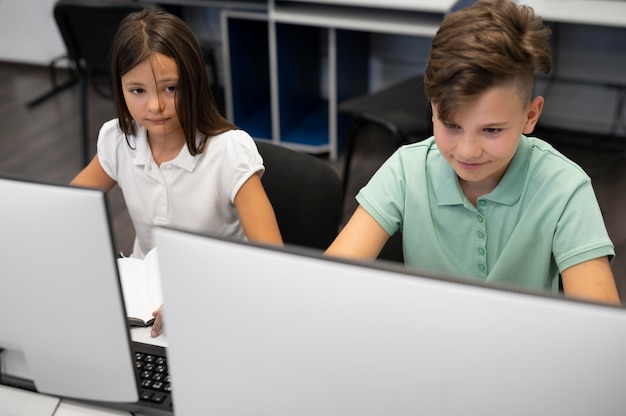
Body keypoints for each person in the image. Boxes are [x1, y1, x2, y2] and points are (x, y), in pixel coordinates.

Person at [326, 0, 621, 305]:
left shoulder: (564, 188)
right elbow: (328, 281)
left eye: (491, 130)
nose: (467, 151)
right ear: (432, 110)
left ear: (530, 116)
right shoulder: (406, 170)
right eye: (451, 125)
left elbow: (597, 319)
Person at [71, 9, 283, 336]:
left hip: (222, 295)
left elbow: (272, 260)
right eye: (137, 91)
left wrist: (198, 298)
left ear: (194, 81)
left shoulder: (229, 152)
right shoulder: (118, 140)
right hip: (147, 302)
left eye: (170, 88)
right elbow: (67, 209)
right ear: (120, 88)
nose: (155, 106)